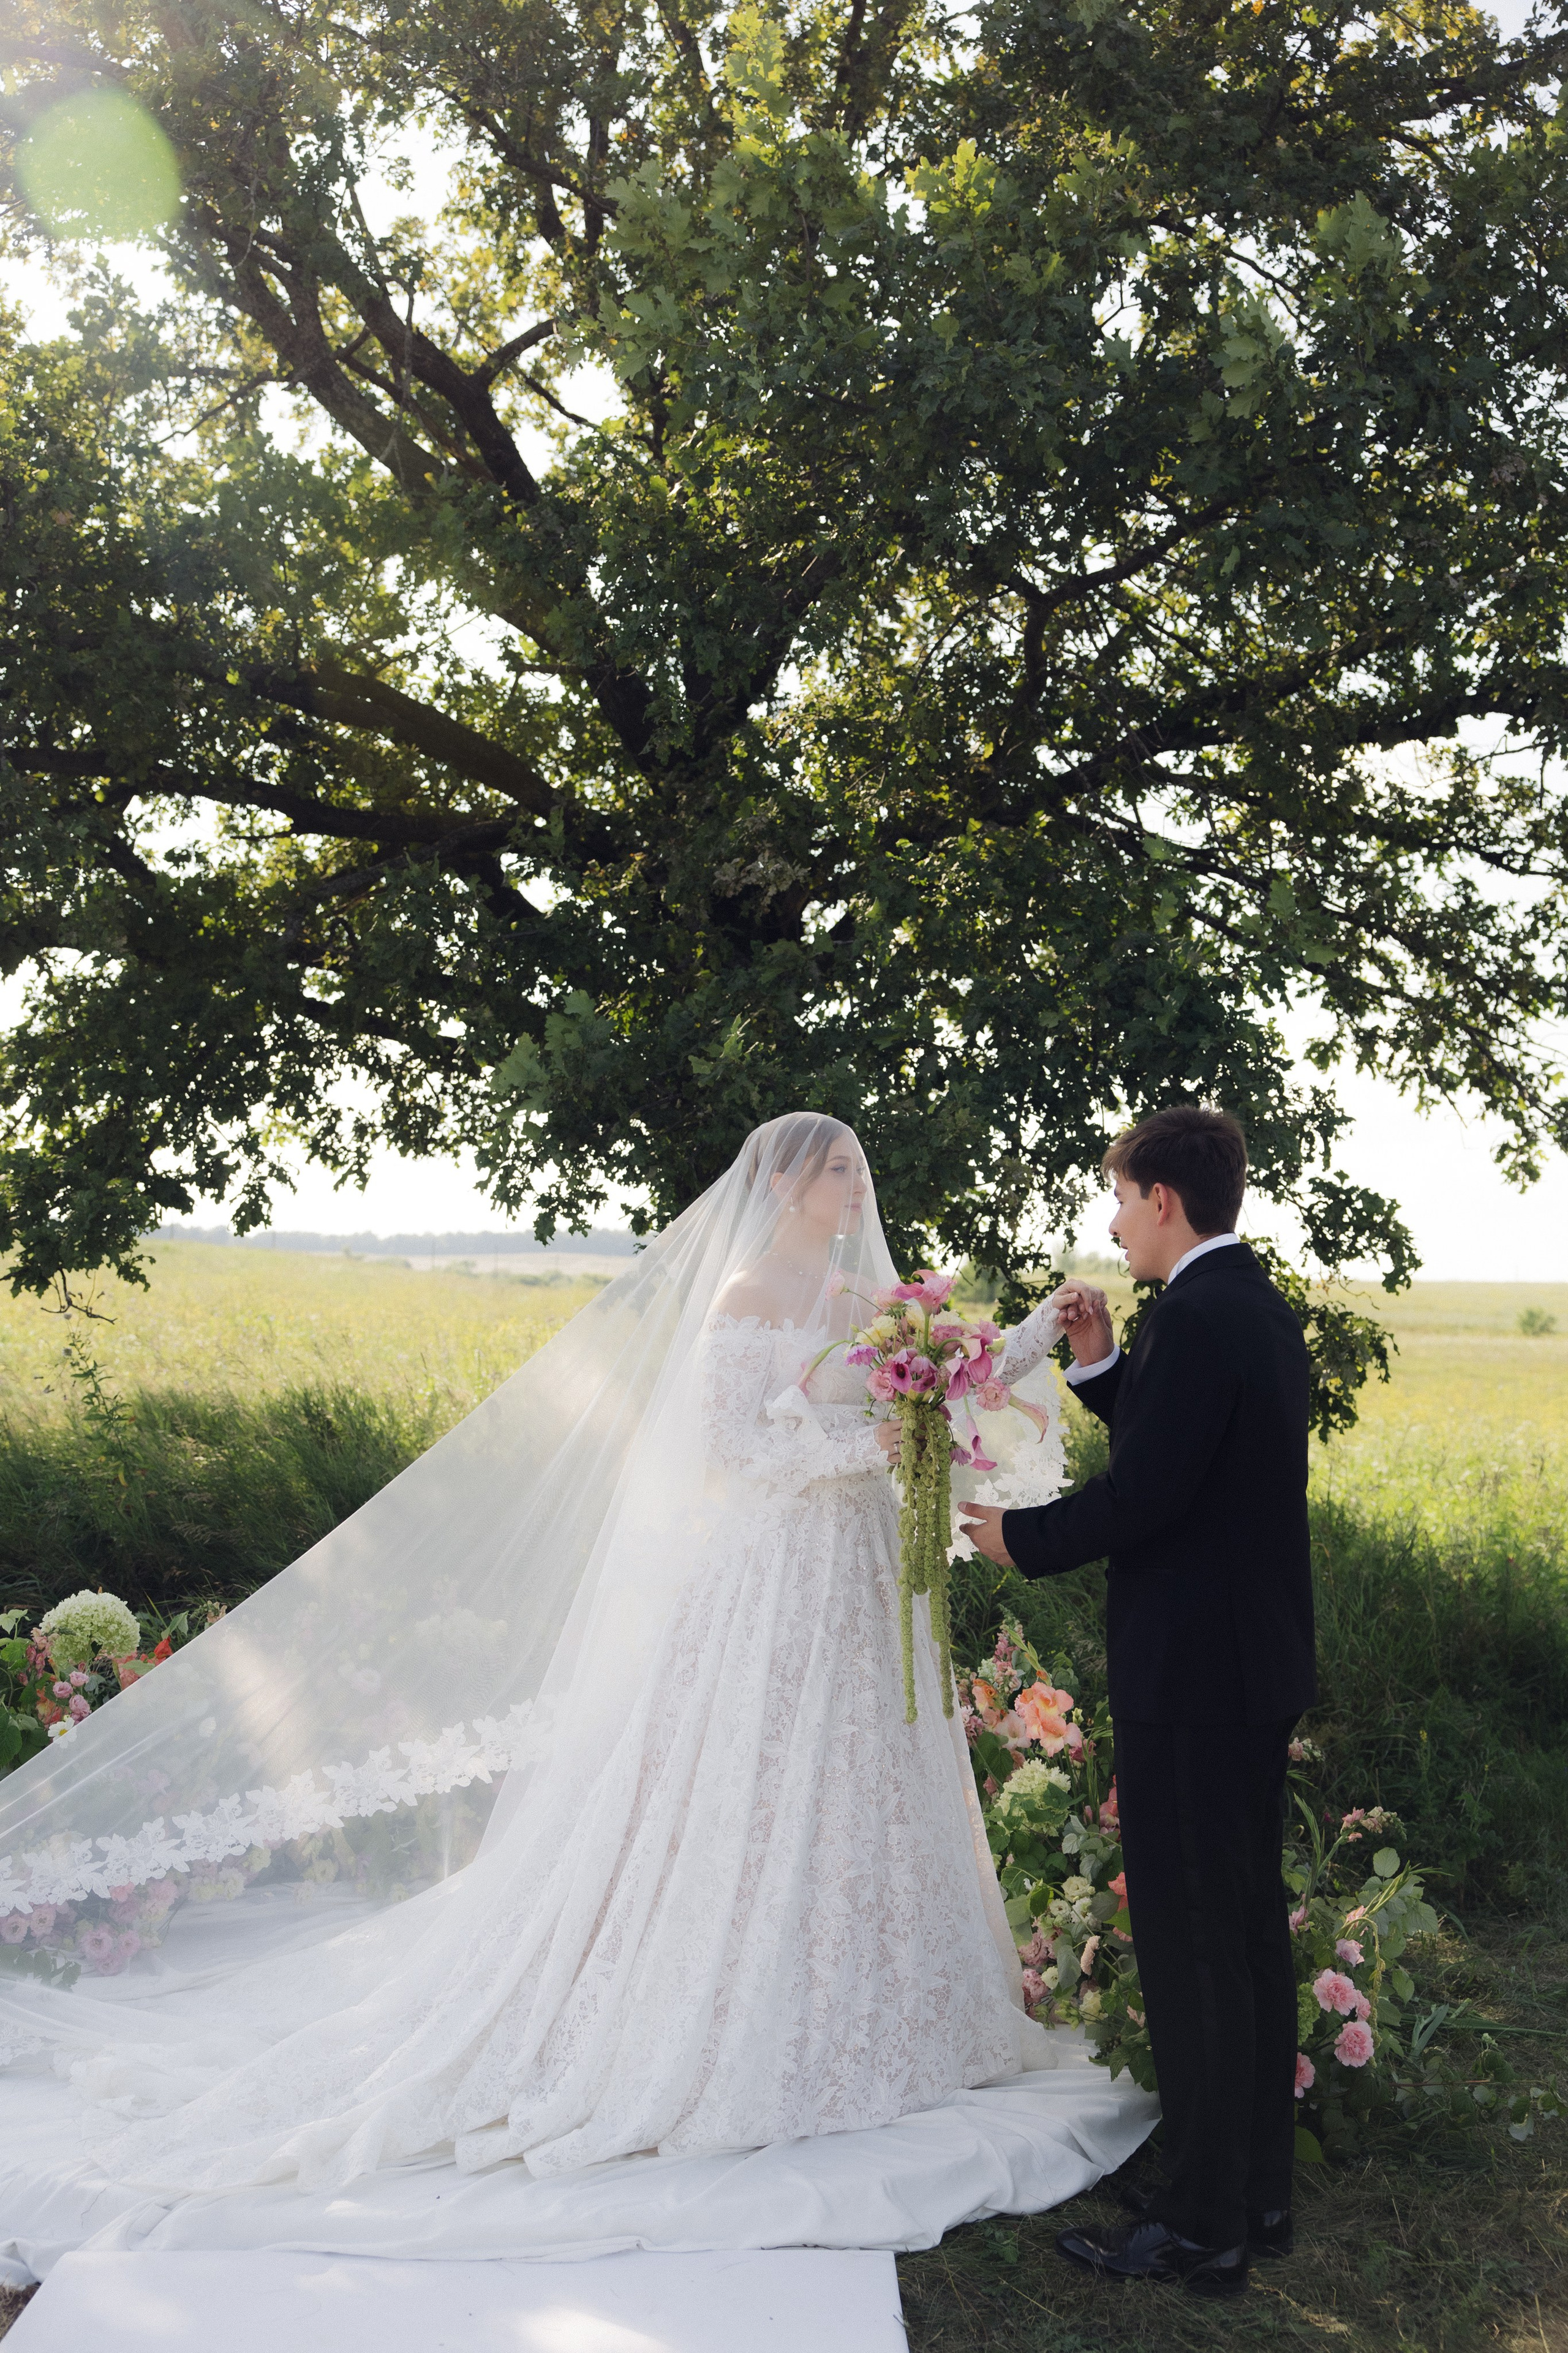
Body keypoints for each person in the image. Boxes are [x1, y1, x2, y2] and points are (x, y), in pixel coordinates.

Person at [0, 1114, 1084, 2210]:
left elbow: (959, 1379)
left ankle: (882, 2000)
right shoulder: (746, 1295)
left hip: (860, 1573)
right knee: (755, 1779)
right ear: (788, 1183)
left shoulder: (878, 1304)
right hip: (774, 1579)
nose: (858, 1185)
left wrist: (1048, 1325)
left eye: (861, 1165)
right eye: (839, 1169)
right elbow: (733, 1452)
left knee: (861, 1775)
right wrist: (870, 1444)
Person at [960, 1104, 1315, 2295]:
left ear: (1162, 1197)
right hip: (1244, 1668)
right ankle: (1253, 2189)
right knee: (1244, 1934)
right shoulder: (1241, 1307)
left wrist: (1020, 1536)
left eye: (1118, 1198)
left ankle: (1199, 2219)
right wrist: (1102, 1364)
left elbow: (1143, 1499)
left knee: (1190, 1939)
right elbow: (1181, 1453)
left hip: (1195, 1679)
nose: (1111, 1223)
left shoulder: (1204, 1317)